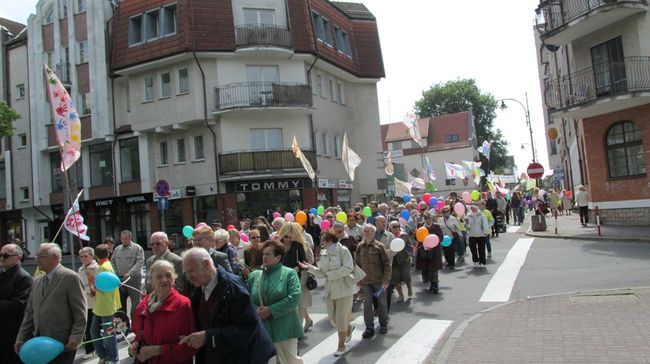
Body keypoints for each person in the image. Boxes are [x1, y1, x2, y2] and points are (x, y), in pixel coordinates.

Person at [179, 248, 276, 363]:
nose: (189, 277)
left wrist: (208, 337)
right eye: (186, 273)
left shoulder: (233, 288)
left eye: (191, 271)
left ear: (206, 264)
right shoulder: (199, 289)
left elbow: (248, 328)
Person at [15, 243, 86, 364]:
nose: (37, 259)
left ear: (54, 257)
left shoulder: (70, 277)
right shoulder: (37, 281)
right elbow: (29, 313)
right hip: (40, 343)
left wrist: (76, 337)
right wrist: (21, 338)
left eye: (41, 256)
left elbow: (80, 312)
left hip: (62, 343)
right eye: (37, 256)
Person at [299, 230, 355, 357]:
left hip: (344, 290)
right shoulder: (324, 253)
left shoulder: (343, 250)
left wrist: (330, 275)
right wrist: (309, 268)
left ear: (330, 240)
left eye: (323, 239)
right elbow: (321, 272)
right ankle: (348, 327)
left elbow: (348, 268)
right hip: (330, 290)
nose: (321, 241)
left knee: (340, 319)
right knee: (333, 319)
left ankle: (341, 346)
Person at [247, 240, 304, 363]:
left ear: (278, 257)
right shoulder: (255, 276)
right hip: (263, 328)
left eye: (268, 254)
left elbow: (295, 296)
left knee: (290, 360)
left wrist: (271, 310)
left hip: (286, 327)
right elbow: (247, 298)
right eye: (264, 254)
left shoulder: (290, 274)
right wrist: (256, 309)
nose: (264, 257)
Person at [129, 260, 197, 364]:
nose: (164, 280)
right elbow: (139, 336)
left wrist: (158, 350)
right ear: (151, 281)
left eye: (168, 275)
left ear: (174, 279)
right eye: (159, 277)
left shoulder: (183, 305)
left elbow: (190, 346)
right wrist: (134, 344)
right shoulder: (142, 306)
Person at [277, 223, 314, 333]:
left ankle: (297, 329)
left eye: (290, 237)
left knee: (299, 303)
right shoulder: (278, 245)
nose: (288, 239)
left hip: (299, 277)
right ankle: (307, 320)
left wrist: (297, 269)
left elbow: (304, 261)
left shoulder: (298, 245)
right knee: (296, 303)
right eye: (286, 236)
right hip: (282, 278)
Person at [356, 224, 391, 338]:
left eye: (369, 230)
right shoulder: (360, 247)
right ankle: (369, 328)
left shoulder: (380, 246)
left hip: (379, 282)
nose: (367, 232)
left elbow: (387, 264)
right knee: (367, 305)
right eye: (365, 231)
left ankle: (383, 325)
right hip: (366, 282)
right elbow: (357, 265)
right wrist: (358, 281)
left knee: (382, 303)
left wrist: (386, 281)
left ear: (374, 233)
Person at [0, 243, 32, 364]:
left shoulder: (23, 277)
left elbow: (20, 305)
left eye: (6, 255)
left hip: (12, 333)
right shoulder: (2, 275)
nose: (2, 258)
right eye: (1, 255)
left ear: (18, 257)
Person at [91, 244, 121, 364]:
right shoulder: (105, 265)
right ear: (108, 253)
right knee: (94, 331)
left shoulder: (104, 267)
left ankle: (113, 358)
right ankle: (103, 355)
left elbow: (103, 287)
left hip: (105, 305)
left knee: (109, 333)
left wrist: (93, 286)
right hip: (101, 305)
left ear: (95, 256)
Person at [111, 230, 145, 318]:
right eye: (122, 239)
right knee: (120, 304)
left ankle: (135, 324)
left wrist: (129, 273)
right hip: (120, 280)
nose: (123, 240)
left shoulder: (137, 248)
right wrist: (115, 273)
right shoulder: (117, 249)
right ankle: (123, 325)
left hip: (133, 280)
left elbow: (140, 262)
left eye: (125, 239)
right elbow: (112, 261)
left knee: (135, 303)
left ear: (130, 238)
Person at [145, 232, 185, 296]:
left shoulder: (177, 261)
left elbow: (180, 287)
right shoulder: (149, 261)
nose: (154, 246)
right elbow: (147, 282)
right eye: (152, 244)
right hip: (152, 300)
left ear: (166, 243)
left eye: (158, 243)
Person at [78, 247, 99, 360]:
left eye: (85, 256)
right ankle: (91, 347)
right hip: (84, 302)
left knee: (92, 327)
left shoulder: (96, 268)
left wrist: (89, 289)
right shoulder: (81, 269)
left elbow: (96, 286)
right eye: (81, 256)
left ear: (91, 256)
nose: (83, 259)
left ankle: (91, 349)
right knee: (87, 326)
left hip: (94, 302)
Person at [416, 213, 443, 293]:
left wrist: (432, 242)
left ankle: (435, 285)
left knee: (433, 268)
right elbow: (418, 238)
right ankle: (429, 282)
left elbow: (440, 238)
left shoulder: (437, 226)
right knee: (425, 268)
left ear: (432, 218)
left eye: (429, 218)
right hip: (424, 251)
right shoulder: (420, 226)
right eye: (426, 218)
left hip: (435, 251)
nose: (428, 220)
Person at [387, 221, 412, 307]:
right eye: (394, 226)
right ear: (390, 228)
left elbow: (410, 245)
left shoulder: (404, 235)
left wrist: (410, 253)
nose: (396, 228)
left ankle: (409, 288)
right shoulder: (388, 237)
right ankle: (401, 294)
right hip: (394, 261)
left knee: (406, 276)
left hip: (405, 259)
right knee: (396, 278)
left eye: (398, 226)